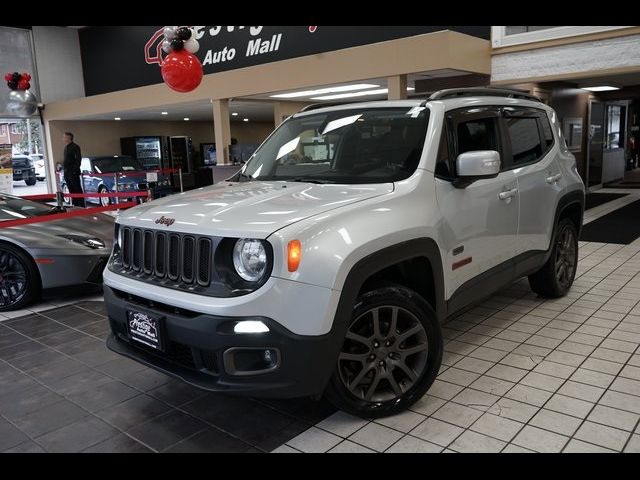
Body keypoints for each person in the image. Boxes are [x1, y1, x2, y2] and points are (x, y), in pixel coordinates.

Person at [62, 132, 84, 207]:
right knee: (71, 190)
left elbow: (78, 160)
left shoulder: (75, 147)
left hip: (73, 173)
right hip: (66, 172)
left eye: (65, 137)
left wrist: (74, 171)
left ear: (69, 138)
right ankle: (75, 205)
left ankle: (81, 206)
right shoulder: (66, 147)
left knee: (77, 189)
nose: (63, 139)